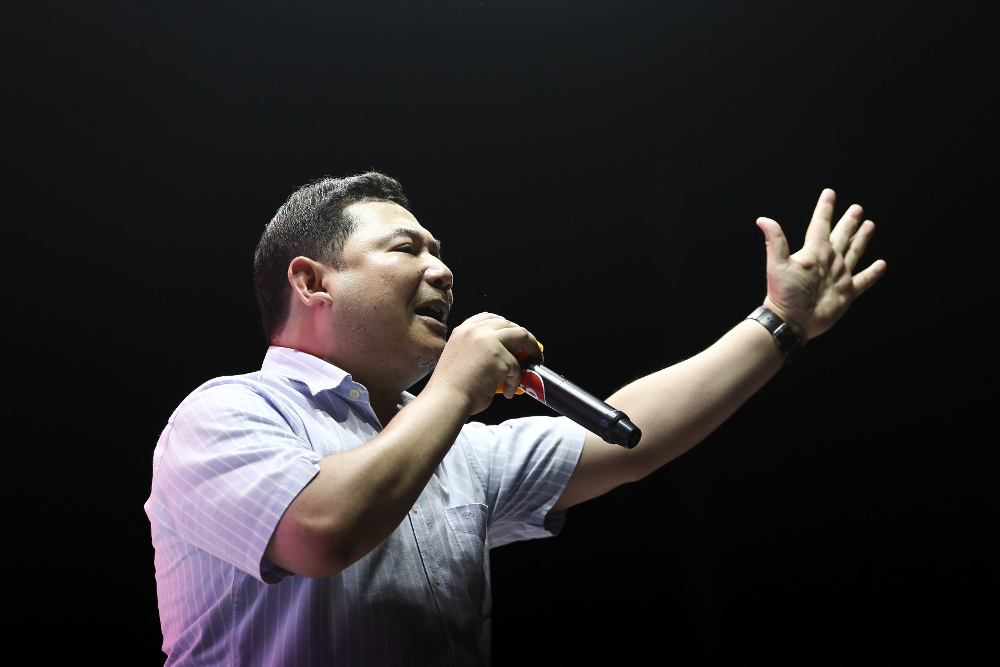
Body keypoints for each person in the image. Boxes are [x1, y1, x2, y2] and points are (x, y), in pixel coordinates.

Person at [145, 172, 886, 666]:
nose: (443, 270)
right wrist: (454, 388)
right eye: (406, 249)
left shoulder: (450, 449)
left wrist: (781, 323)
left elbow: (630, 435)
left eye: (440, 253)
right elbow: (319, 531)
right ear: (312, 281)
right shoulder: (223, 414)